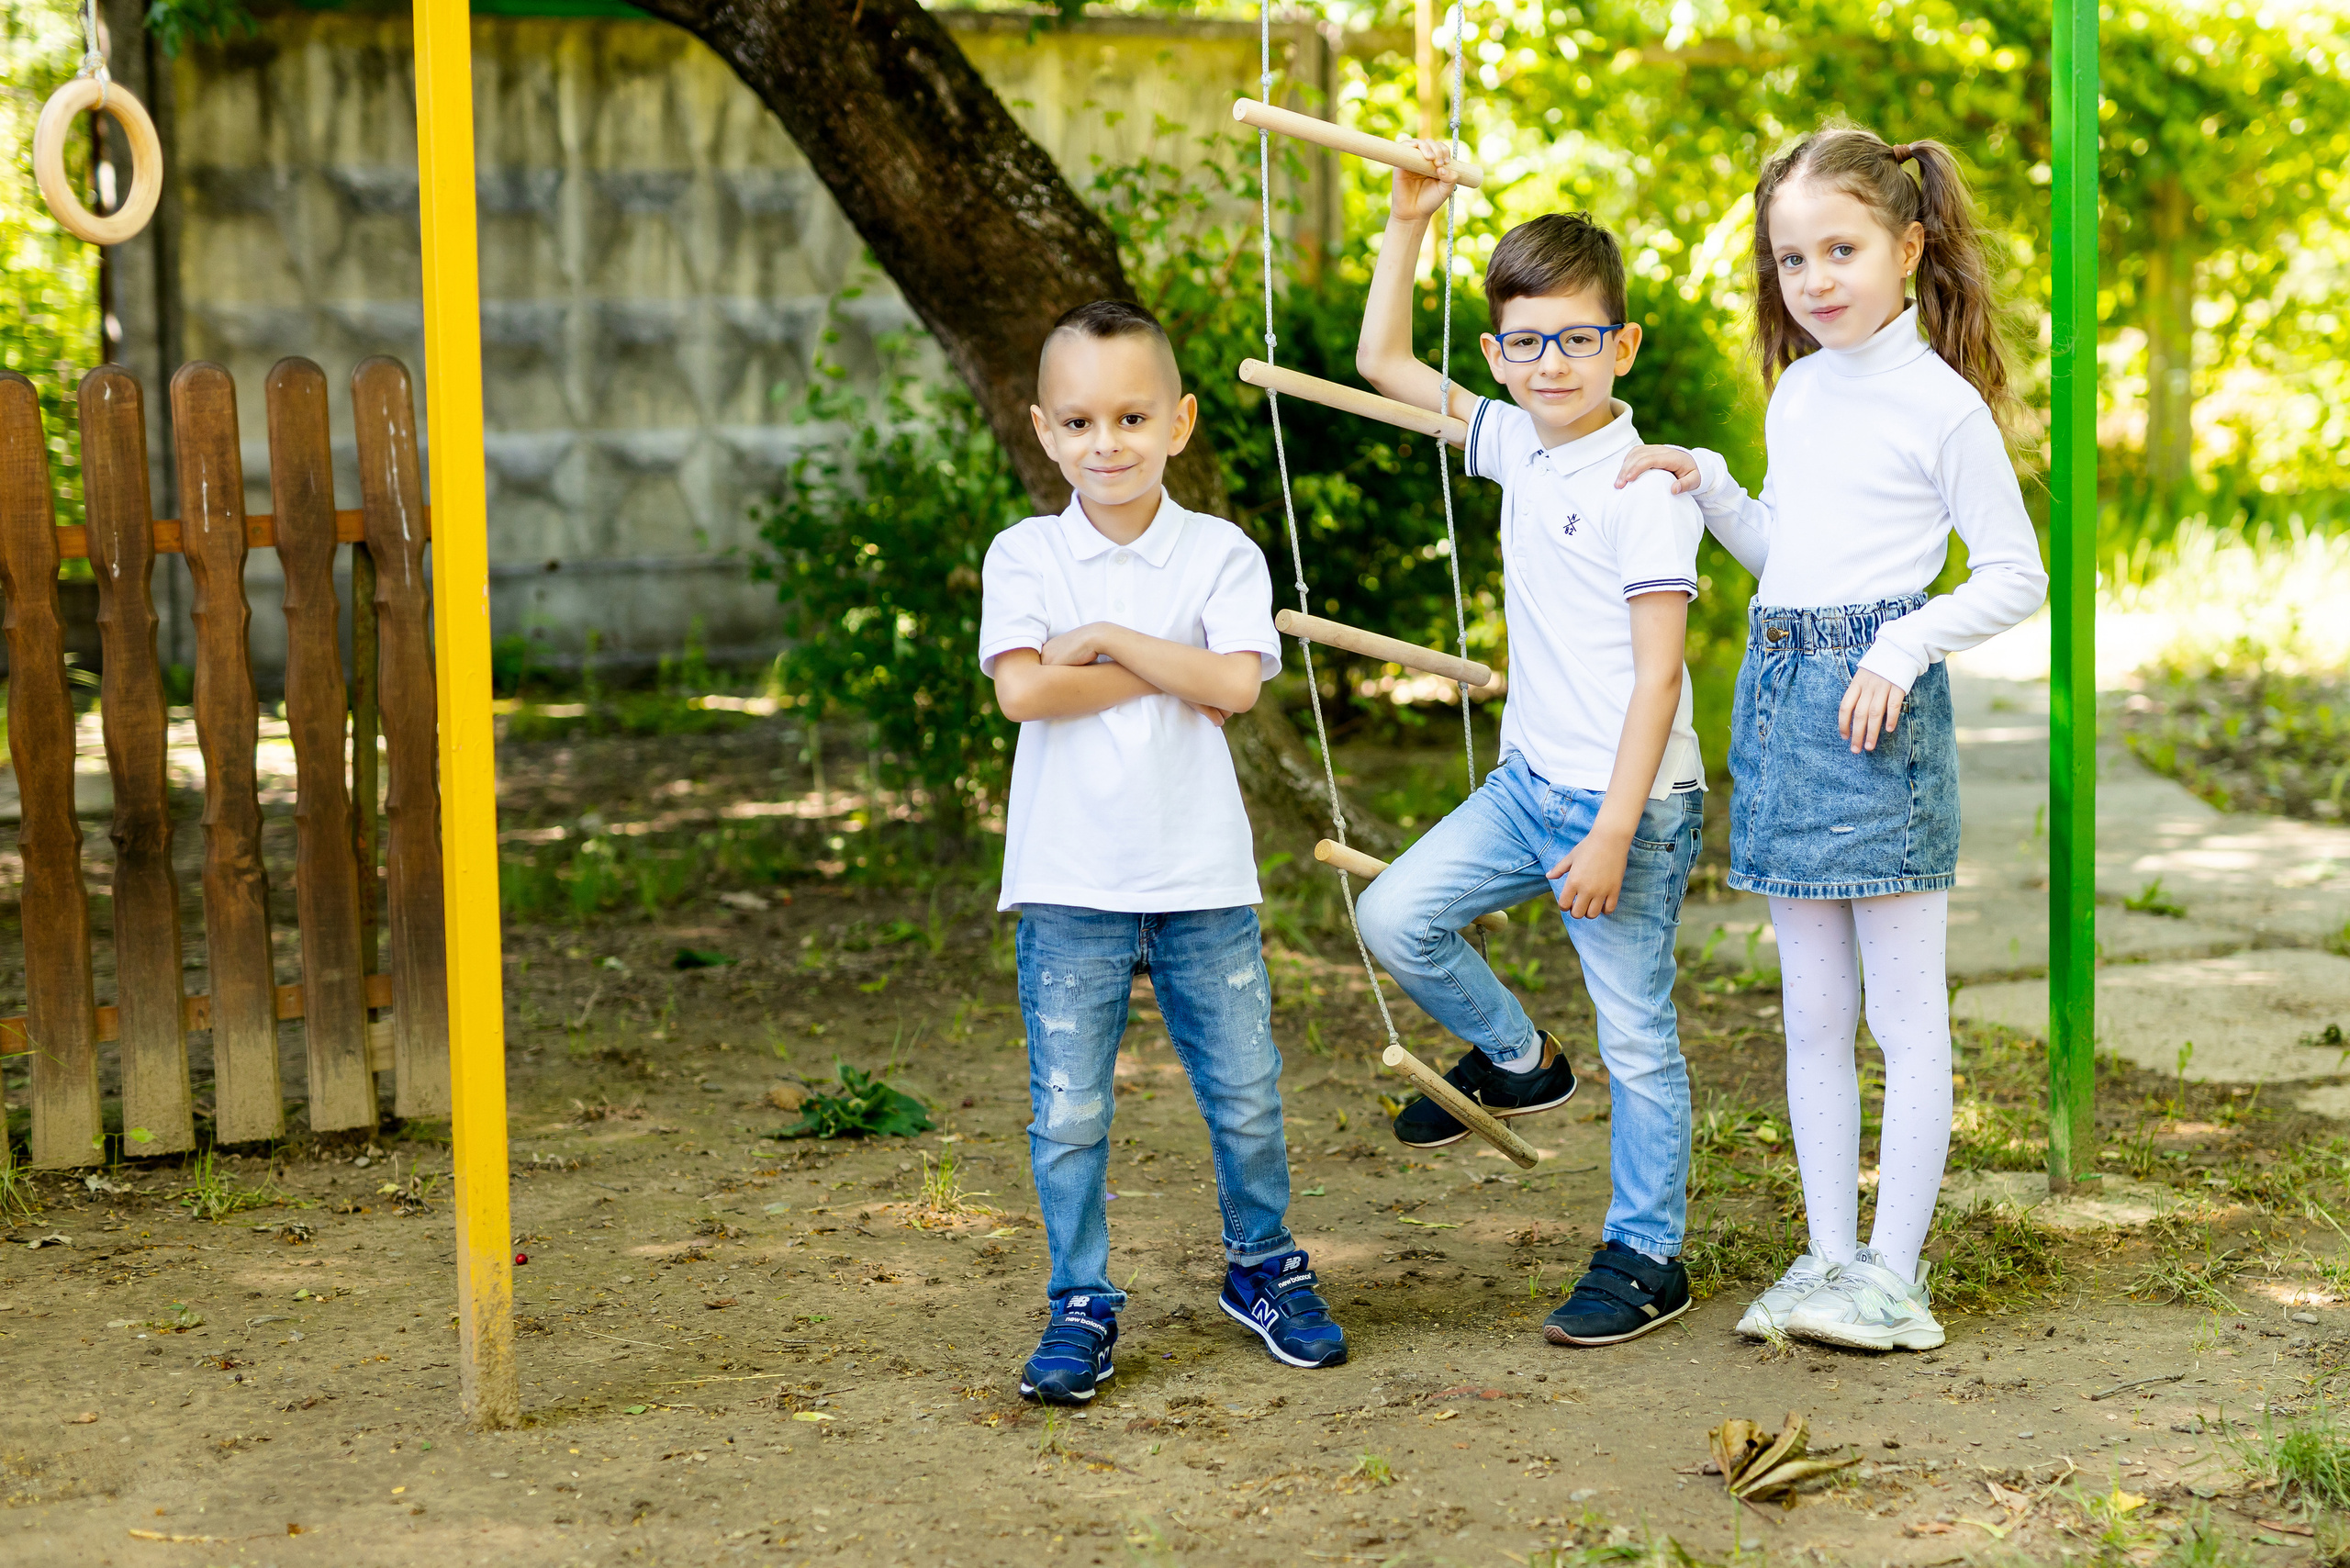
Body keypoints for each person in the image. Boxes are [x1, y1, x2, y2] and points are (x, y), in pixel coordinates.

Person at [1615, 125, 2048, 1352]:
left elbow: (2015, 576)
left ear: (1908, 247)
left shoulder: (1941, 405)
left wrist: (1901, 647)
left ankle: (1894, 1279)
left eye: (1840, 250)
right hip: (1780, 700)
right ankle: (1827, 1256)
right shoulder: (1800, 391)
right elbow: (1789, 558)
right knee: (1810, 1015)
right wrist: (1713, 488)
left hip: (1875, 716)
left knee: (1903, 1020)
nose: (1812, 279)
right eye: (1791, 258)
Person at [1352, 150, 1709, 1349]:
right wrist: (1408, 222)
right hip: (1526, 790)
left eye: (1576, 339)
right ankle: (1517, 1059)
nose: (1550, 362)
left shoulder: (1643, 487)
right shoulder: (1518, 441)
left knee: (1639, 1037)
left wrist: (1611, 829)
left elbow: (1659, 676)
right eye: (1525, 343)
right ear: (1499, 353)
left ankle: (1647, 1256)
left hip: (1628, 809)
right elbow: (1384, 363)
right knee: (1395, 914)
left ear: (1623, 346)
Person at [979, 298, 1348, 1404]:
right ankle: (1079, 1301)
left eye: (1132, 417)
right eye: (1080, 421)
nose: (1107, 443)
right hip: (1068, 882)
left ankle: (1262, 1265)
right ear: (1044, 430)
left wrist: (1104, 640)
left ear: (1179, 422)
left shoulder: (1220, 551)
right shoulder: (1026, 553)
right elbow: (1023, 691)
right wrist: (1167, 667)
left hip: (1200, 878)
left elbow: (1235, 684)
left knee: (1245, 1093)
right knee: (1070, 1113)